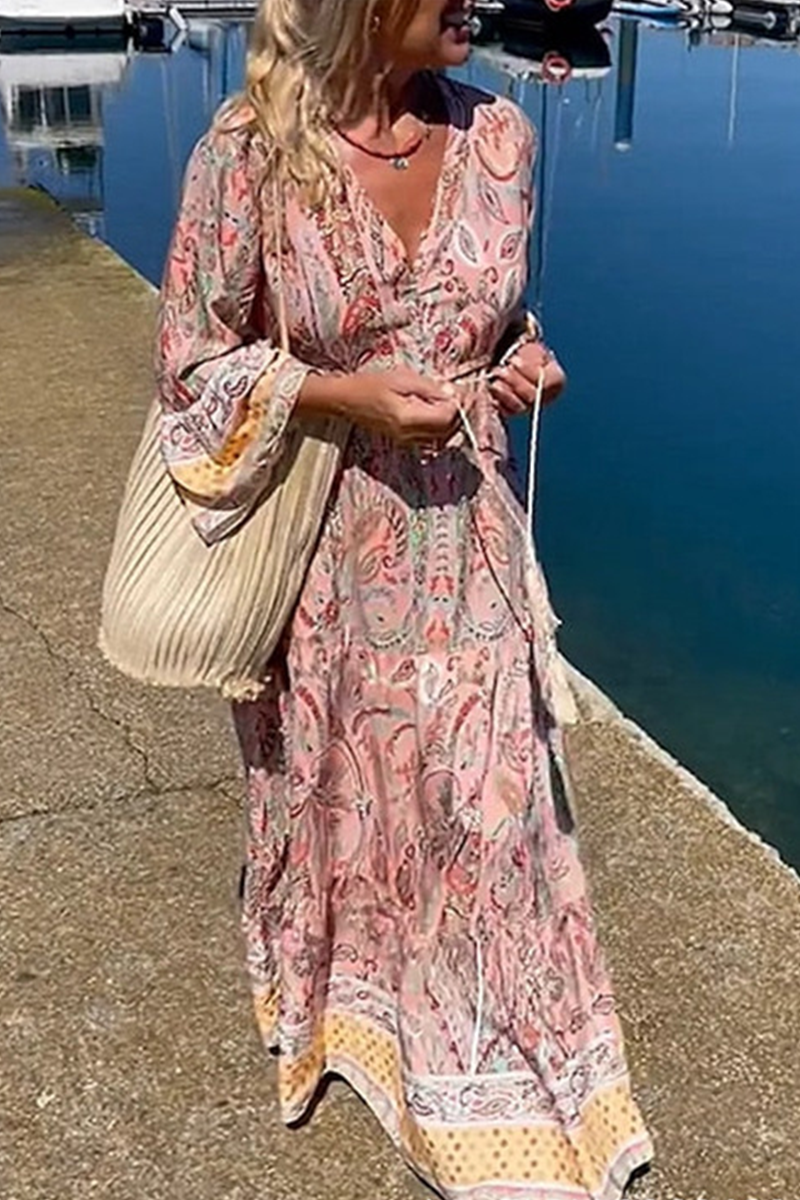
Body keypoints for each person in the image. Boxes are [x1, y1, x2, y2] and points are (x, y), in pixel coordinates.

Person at [155, 1, 654, 1196]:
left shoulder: (502, 139)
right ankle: (354, 1009)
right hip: (318, 550)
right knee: (338, 789)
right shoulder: (249, 150)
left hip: (470, 539)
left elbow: (483, 317)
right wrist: (342, 396)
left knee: (492, 809)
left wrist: (520, 361)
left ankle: (500, 1070)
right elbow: (191, 363)